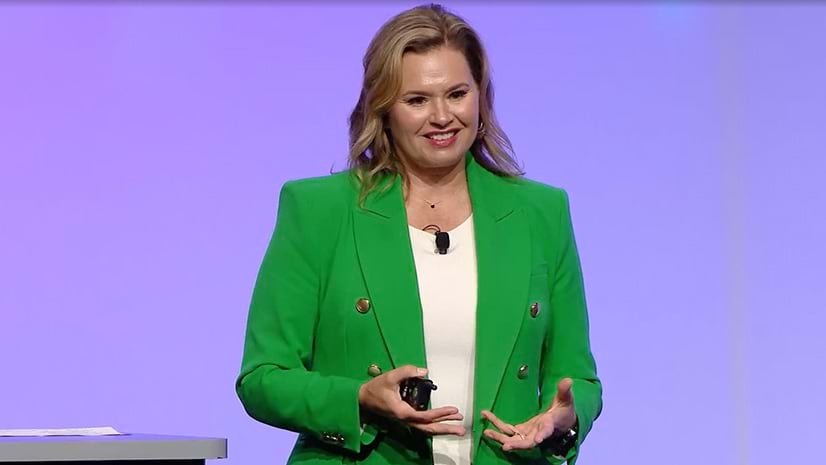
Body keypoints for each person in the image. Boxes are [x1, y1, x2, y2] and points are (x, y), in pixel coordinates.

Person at [236, 4, 602, 465]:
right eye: (417, 100)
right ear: (383, 108)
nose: (442, 116)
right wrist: (359, 398)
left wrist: (561, 418)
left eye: (456, 94)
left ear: (480, 98)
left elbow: (578, 378)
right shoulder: (319, 211)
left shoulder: (541, 212)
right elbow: (263, 378)